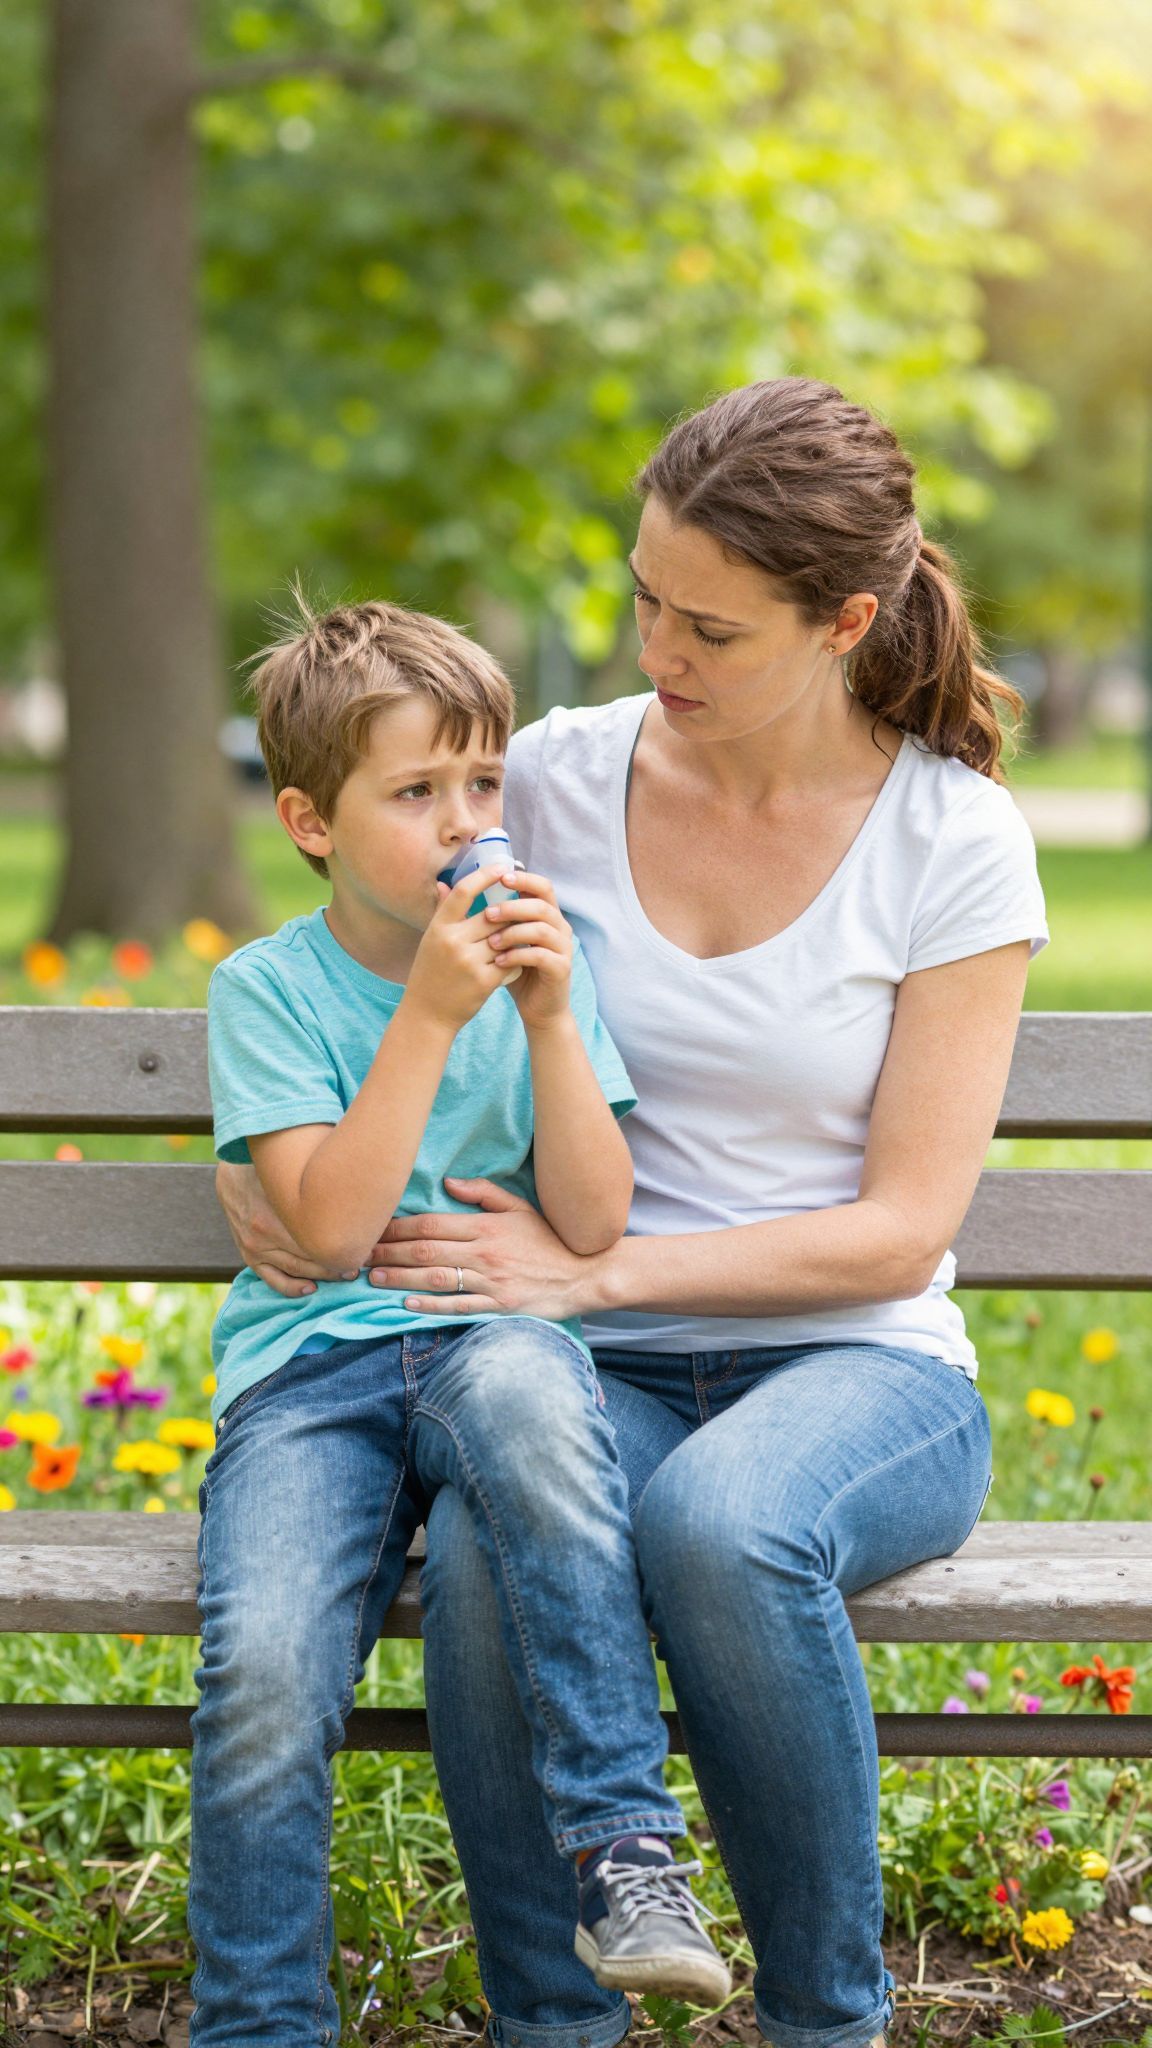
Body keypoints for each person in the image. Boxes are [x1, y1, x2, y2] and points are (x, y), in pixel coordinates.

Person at [218, 379, 1050, 2048]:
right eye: (642, 598)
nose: (659, 649)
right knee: (477, 1554)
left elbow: (899, 1233)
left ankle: (828, 2019)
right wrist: (272, 1182)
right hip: (568, 1361)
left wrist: (587, 1278)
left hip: (855, 1366)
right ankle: (559, 2021)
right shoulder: (546, 780)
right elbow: (360, 934)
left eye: (713, 629)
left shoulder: (953, 841)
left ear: (847, 623)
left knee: (723, 1524)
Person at [190, 598, 730, 2048]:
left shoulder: (544, 975)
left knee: (545, 1411)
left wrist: (552, 1022)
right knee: (263, 1668)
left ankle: (626, 1852)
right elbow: (331, 1233)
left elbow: (598, 1220)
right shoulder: (268, 990)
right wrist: (428, 1018)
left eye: (483, 786)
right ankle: (255, 2019)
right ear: (309, 819)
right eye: (416, 792)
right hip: (314, 1377)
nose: (465, 821)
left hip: (499, 1351)